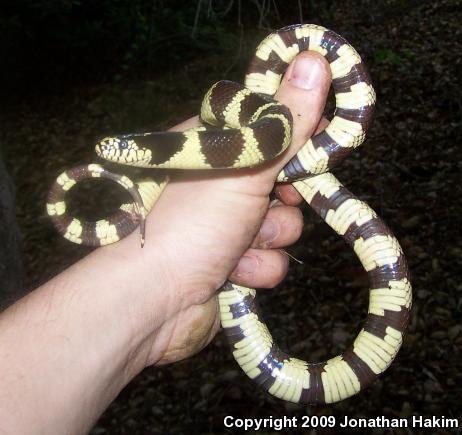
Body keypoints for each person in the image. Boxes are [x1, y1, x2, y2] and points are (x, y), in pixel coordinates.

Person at [0, 52, 331, 434]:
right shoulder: (181, 152)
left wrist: (163, 275)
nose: (116, 151)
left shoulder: (206, 141)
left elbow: (255, 129)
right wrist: (165, 275)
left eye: (126, 148)